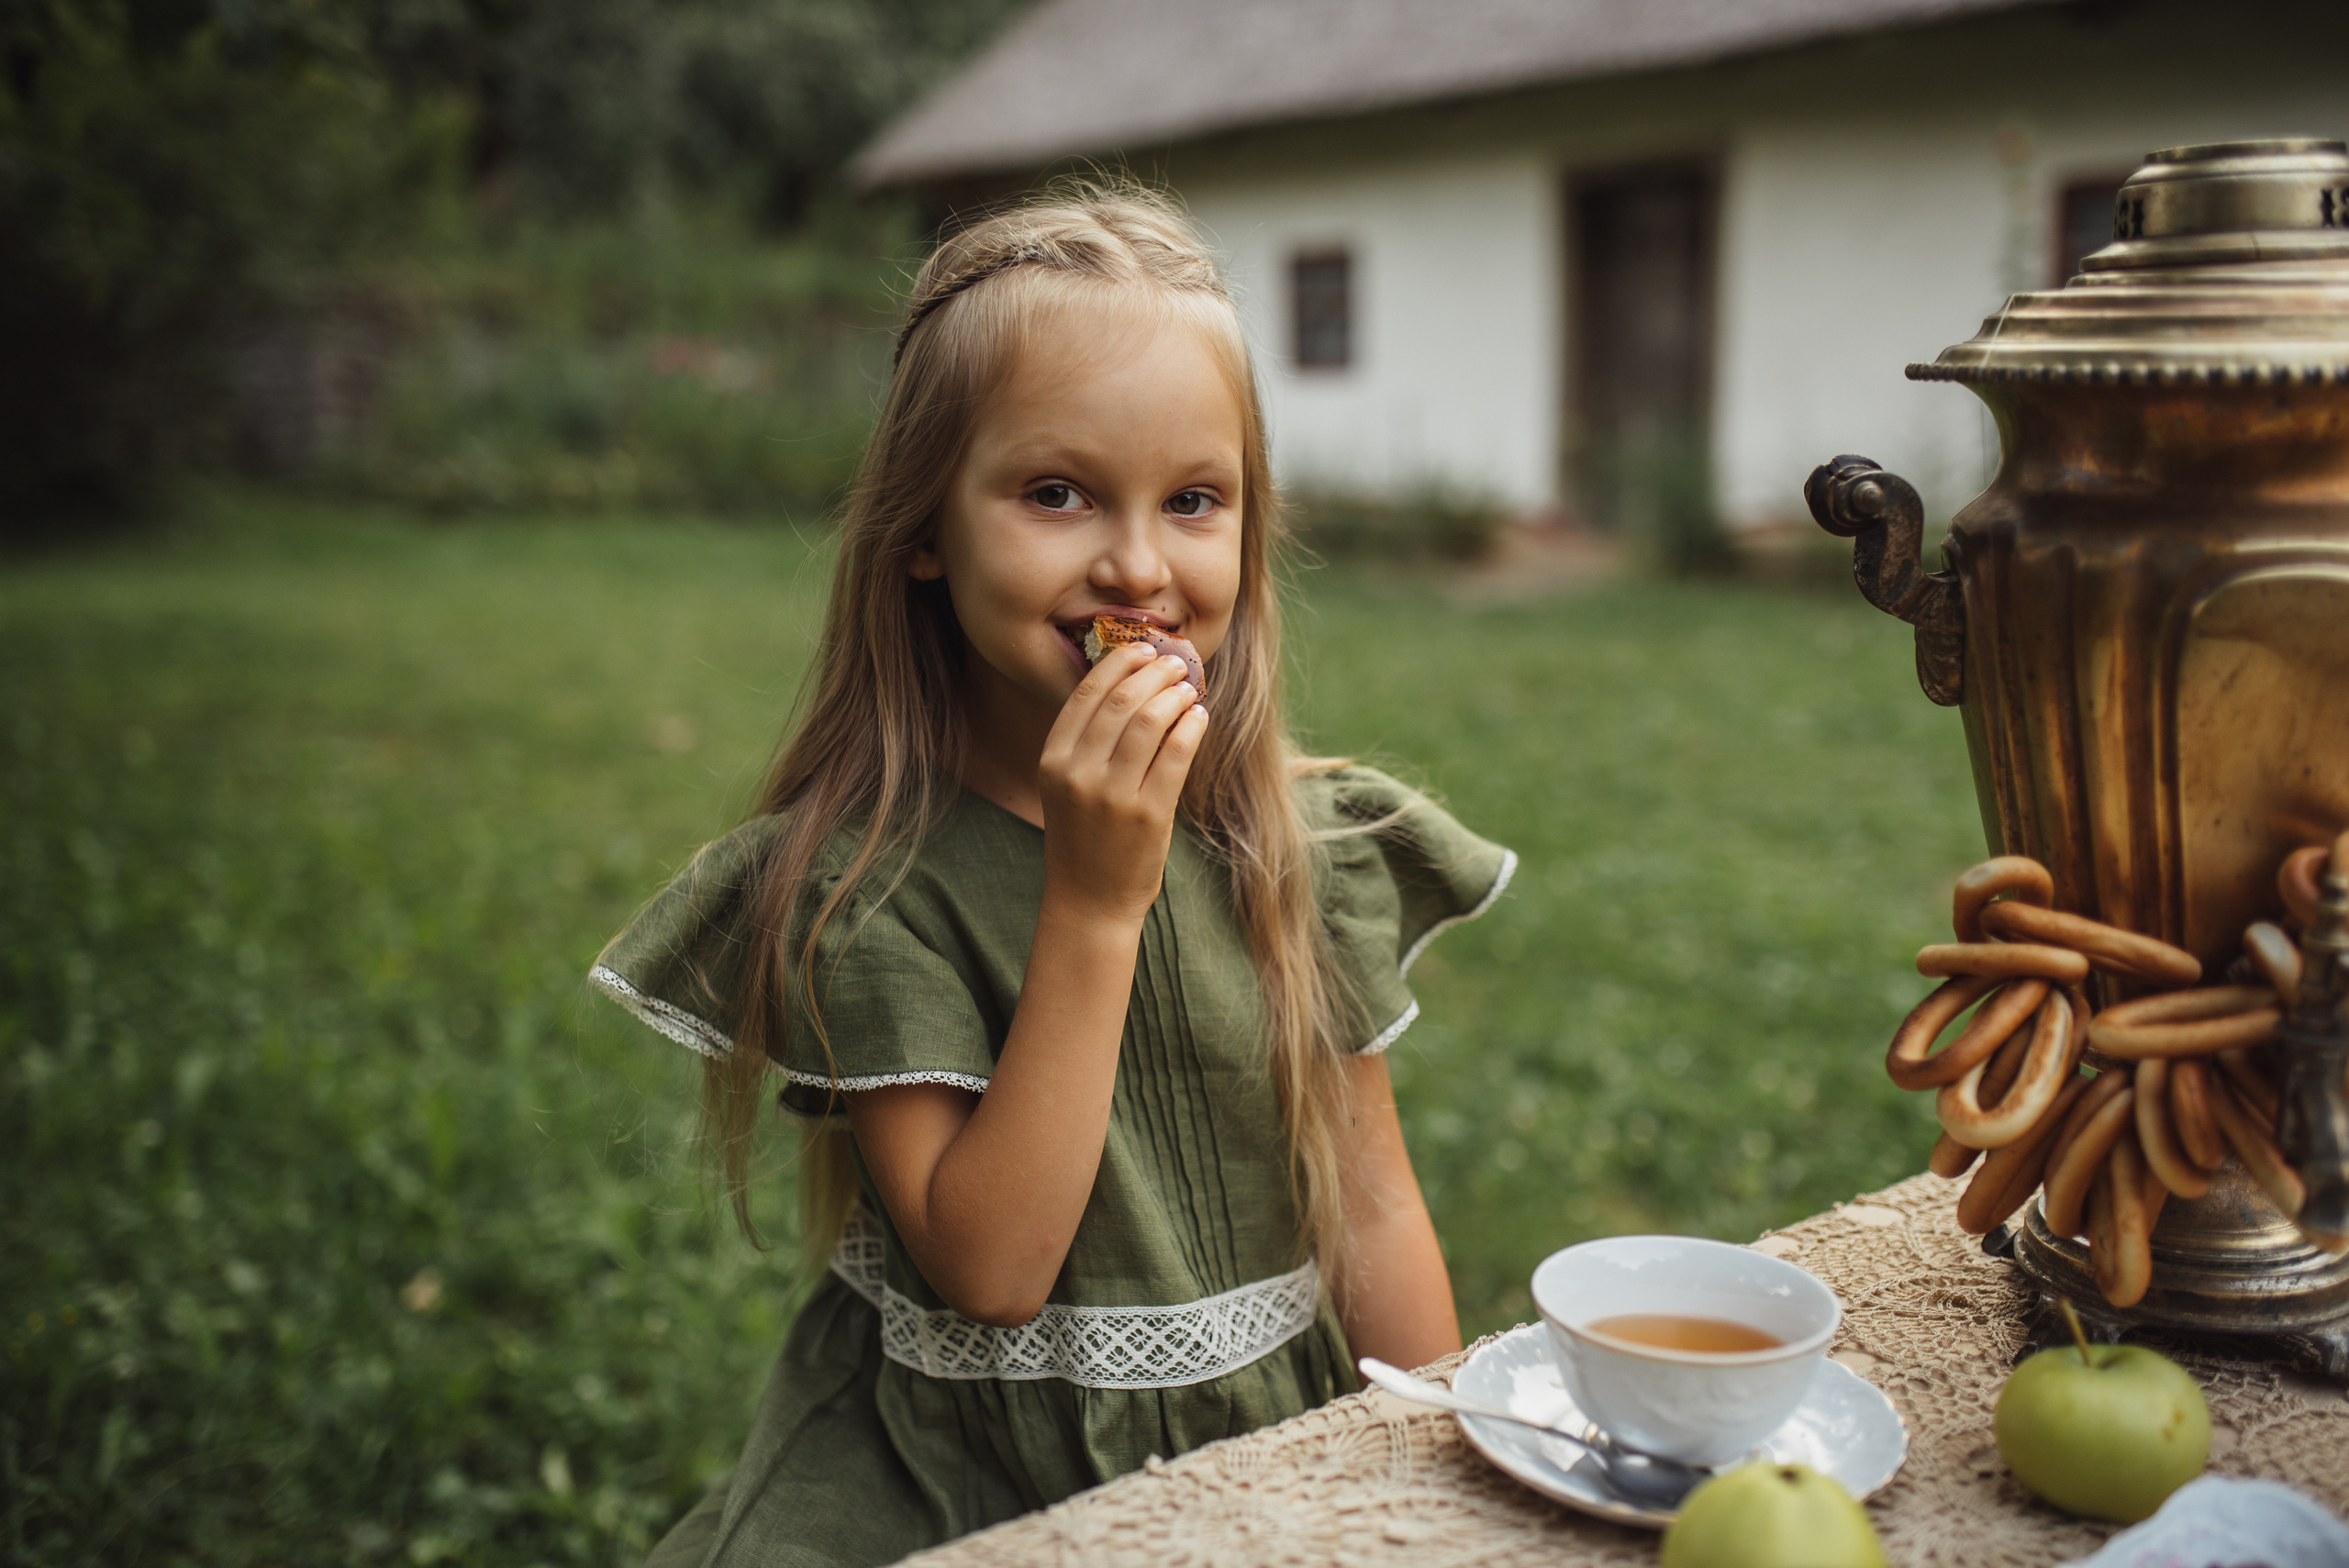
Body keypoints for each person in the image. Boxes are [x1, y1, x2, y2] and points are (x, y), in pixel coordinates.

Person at [590, 185, 1517, 1568]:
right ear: (922, 528)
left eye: (1194, 500)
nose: (1139, 565)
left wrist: (1439, 1477)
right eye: (1056, 492)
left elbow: (1373, 1207)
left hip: (1267, 1452)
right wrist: (1094, 898)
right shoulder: (865, 883)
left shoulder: (1297, 848)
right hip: (974, 1483)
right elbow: (994, 1265)